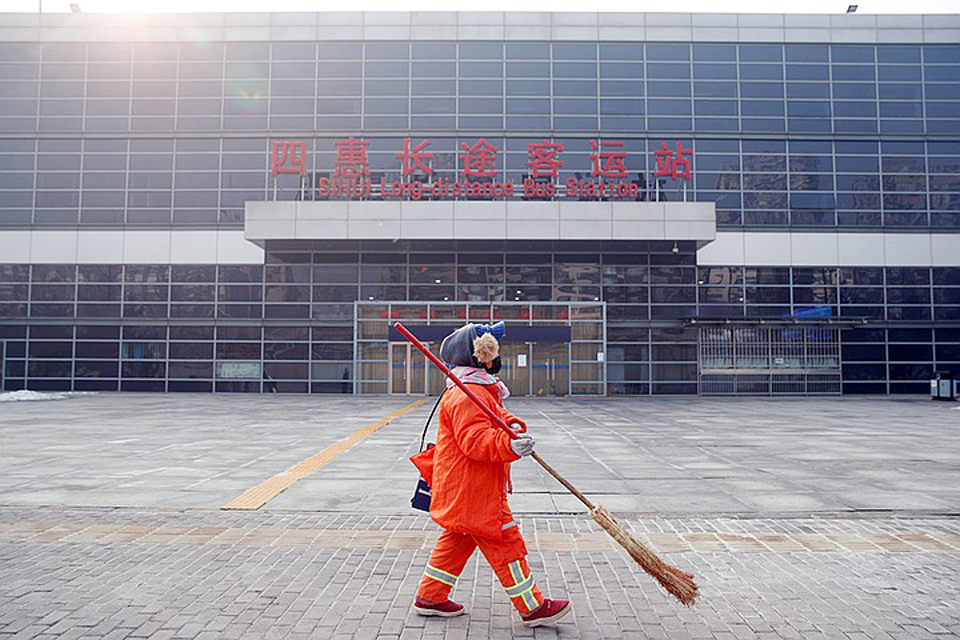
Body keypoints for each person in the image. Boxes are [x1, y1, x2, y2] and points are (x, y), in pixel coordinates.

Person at [413, 322, 571, 628]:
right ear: (479, 357)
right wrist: (508, 446)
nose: (495, 358)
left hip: (465, 486)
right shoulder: (466, 394)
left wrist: (511, 427)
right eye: (491, 352)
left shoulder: (477, 389)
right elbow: (475, 440)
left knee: (458, 538)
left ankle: (430, 596)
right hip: (474, 488)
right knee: (503, 538)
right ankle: (533, 606)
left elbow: (495, 417)